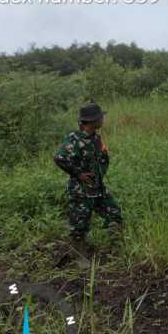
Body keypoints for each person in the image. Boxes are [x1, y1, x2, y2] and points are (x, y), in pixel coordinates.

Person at [53, 103, 123, 267]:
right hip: (81, 191)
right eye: (101, 117)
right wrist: (79, 174)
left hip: (98, 188)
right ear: (92, 120)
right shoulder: (74, 139)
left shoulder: (96, 138)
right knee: (79, 225)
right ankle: (78, 257)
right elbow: (59, 158)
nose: (103, 119)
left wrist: (100, 173)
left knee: (114, 213)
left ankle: (117, 250)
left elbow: (104, 157)